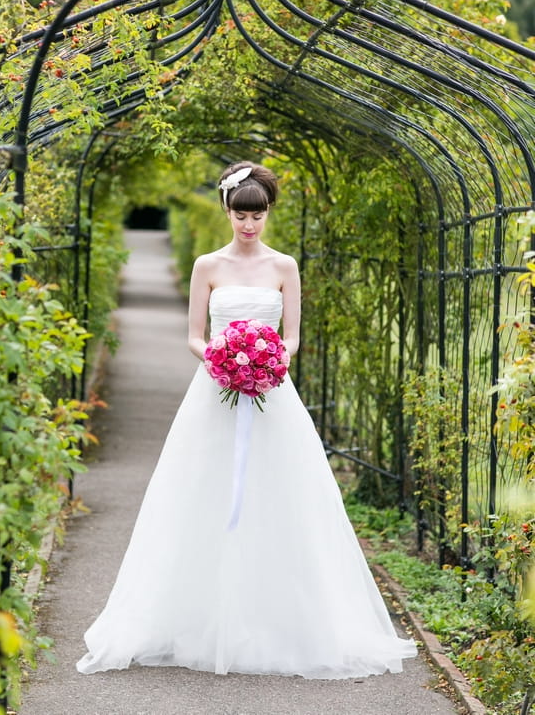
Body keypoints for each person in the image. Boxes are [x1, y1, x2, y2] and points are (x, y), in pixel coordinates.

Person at [76, 161, 417, 679]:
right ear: (227, 211)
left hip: (271, 392)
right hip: (213, 391)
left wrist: (268, 360)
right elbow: (193, 333)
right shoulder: (207, 266)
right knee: (200, 493)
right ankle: (194, 617)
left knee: (281, 495)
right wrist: (220, 358)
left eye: (257, 215)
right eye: (241, 214)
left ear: (267, 214)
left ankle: (284, 622)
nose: (249, 225)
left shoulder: (284, 267)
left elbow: (294, 337)